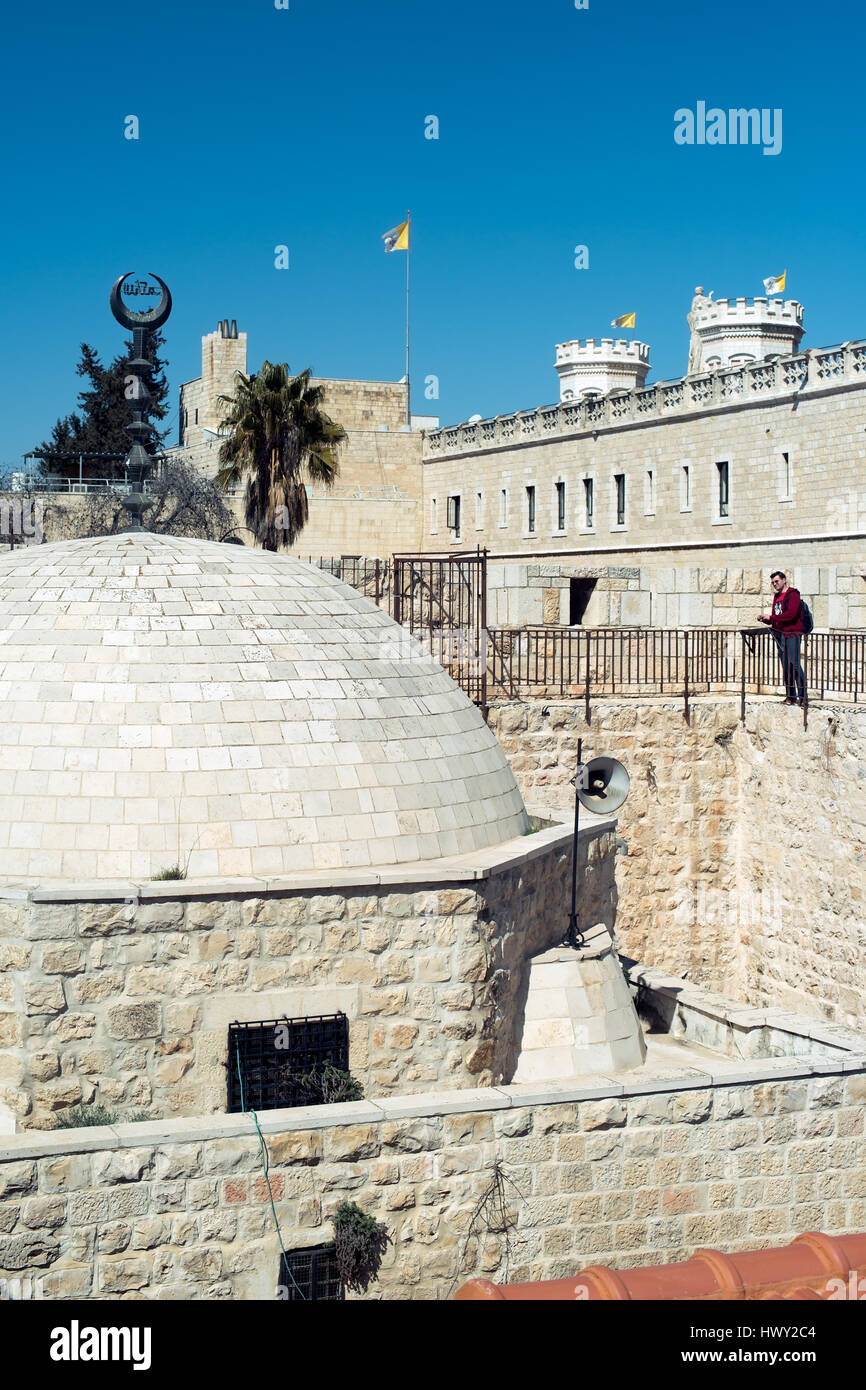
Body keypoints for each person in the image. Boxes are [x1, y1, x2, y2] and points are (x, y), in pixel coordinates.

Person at [757, 570, 806, 705]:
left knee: (794, 665)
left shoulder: (793, 594)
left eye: (777, 581)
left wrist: (771, 617)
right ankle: (790, 697)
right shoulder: (777, 597)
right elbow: (777, 619)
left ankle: (803, 696)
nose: (774, 584)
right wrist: (766, 619)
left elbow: (791, 615)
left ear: (784, 580)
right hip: (780, 636)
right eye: (772, 582)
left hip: (792, 634)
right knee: (786, 667)